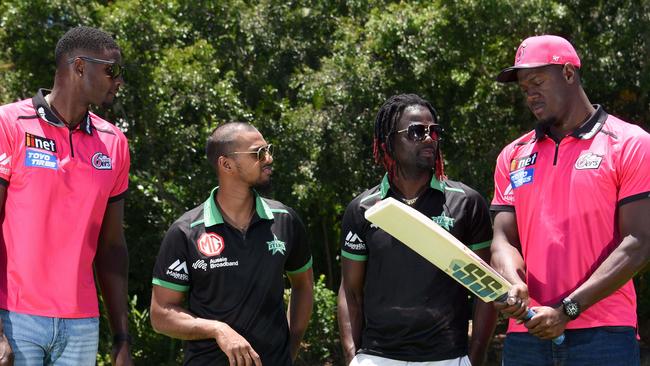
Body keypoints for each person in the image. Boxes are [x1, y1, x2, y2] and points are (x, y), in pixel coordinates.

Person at [491, 35, 650, 365]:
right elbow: (503, 238)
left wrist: (567, 310)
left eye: (537, 81)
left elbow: (640, 241)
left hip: (604, 334)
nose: (530, 94)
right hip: (527, 335)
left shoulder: (631, 143)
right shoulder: (513, 155)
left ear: (568, 73)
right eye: (524, 88)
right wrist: (512, 283)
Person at [0, 26, 132, 365]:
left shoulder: (114, 142)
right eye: (111, 70)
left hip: (82, 326)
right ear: (79, 67)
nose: (118, 80)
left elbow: (112, 247)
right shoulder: (8, 123)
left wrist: (122, 340)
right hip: (14, 318)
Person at [338, 94, 497, 366]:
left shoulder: (466, 202)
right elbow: (351, 292)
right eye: (416, 131)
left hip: (448, 357)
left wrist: (475, 357)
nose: (428, 138)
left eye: (434, 131)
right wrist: (354, 356)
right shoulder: (363, 208)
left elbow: (486, 289)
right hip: (377, 357)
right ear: (389, 140)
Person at [150, 122, 314, 365]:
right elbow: (161, 314)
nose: (268, 158)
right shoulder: (185, 232)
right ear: (226, 164)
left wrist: (290, 349)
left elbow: (303, 285)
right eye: (258, 153)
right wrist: (218, 330)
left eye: (268, 150)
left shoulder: (285, 220)